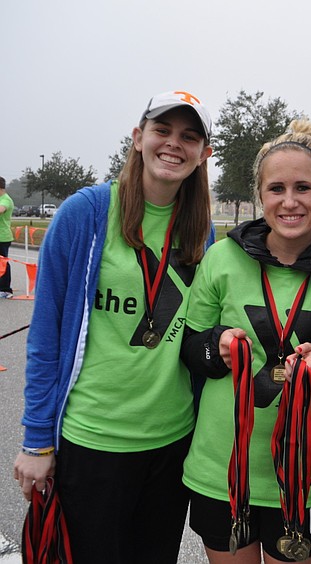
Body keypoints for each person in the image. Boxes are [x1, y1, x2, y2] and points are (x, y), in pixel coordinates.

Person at [12, 90, 215, 563]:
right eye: (162, 130)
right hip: (93, 441)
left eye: (189, 137)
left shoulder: (200, 229)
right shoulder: (85, 212)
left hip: (172, 441)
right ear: (138, 136)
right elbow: (45, 336)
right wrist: (37, 438)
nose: (173, 144)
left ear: (204, 153)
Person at [179, 119, 311, 564]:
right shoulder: (222, 258)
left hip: (301, 473)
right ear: (259, 196)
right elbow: (190, 348)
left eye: (303, 188)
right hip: (220, 469)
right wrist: (217, 347)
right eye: (276, 188)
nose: (289, 201)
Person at [0, 176, 14, 298]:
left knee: (3, 262)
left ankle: (6, 289)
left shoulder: (6, 200)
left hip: (2, 237)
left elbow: (1, 209)